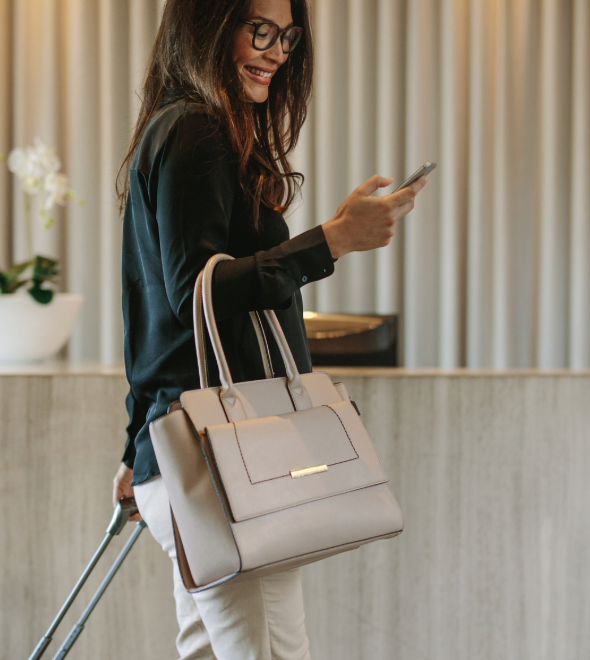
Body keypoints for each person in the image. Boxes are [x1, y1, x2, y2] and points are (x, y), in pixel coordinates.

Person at [111, 0, 429, 657]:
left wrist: (134, 449)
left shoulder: (175, 127)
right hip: (220, 464)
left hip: (186, 457)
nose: (277, 52)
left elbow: (157, 319)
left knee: (210, 648)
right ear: (208, 21)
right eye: (260, 29)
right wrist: (332, 241)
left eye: (287, 37)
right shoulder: (199, 129)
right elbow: (193, 294)